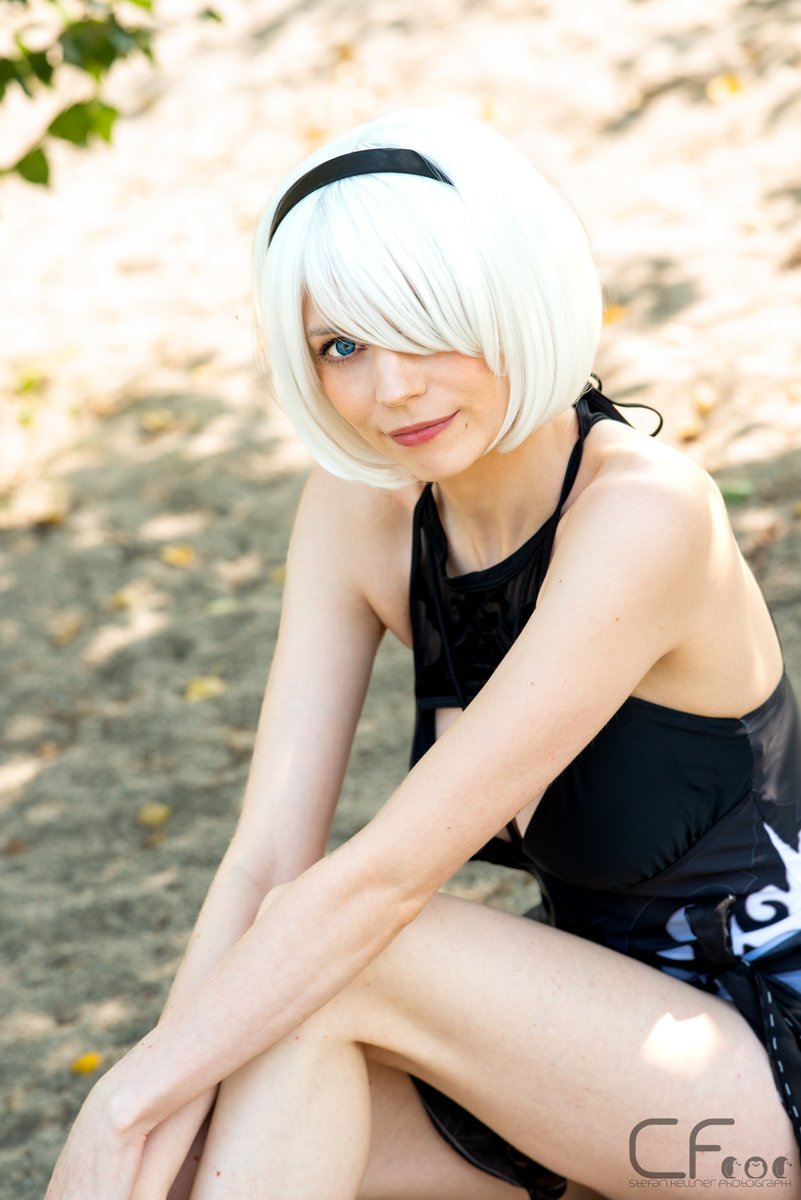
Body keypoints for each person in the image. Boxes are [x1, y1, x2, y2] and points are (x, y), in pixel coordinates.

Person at [46, 108, 801, 1200]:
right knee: (196, 1132)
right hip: (572, 1052)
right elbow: (266, 860)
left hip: (752, 1078)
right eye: (342, 347)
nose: (391, 388)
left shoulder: (646, 516)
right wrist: (155, 1117)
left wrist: (128, 1098)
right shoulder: (359, 513)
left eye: (424, 325)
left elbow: (385, 884)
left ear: (511, 300)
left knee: (346, 955)